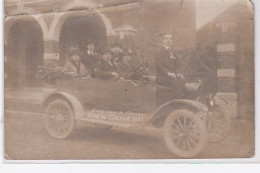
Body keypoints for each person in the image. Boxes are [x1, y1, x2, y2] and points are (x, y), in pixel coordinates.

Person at [155, 33, 185, 99]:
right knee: (174, 81)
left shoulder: (173, 51)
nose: (168, 40)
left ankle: (183, 99)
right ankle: (175, 102)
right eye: (166, 38)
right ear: (163, 40)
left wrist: (178, 73)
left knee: (182, 80)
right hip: (162, 77)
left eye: (170, 39)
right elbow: (159, 65)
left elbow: (178, 64)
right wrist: (168, 73)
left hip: (172, 76)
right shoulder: (159, 51)